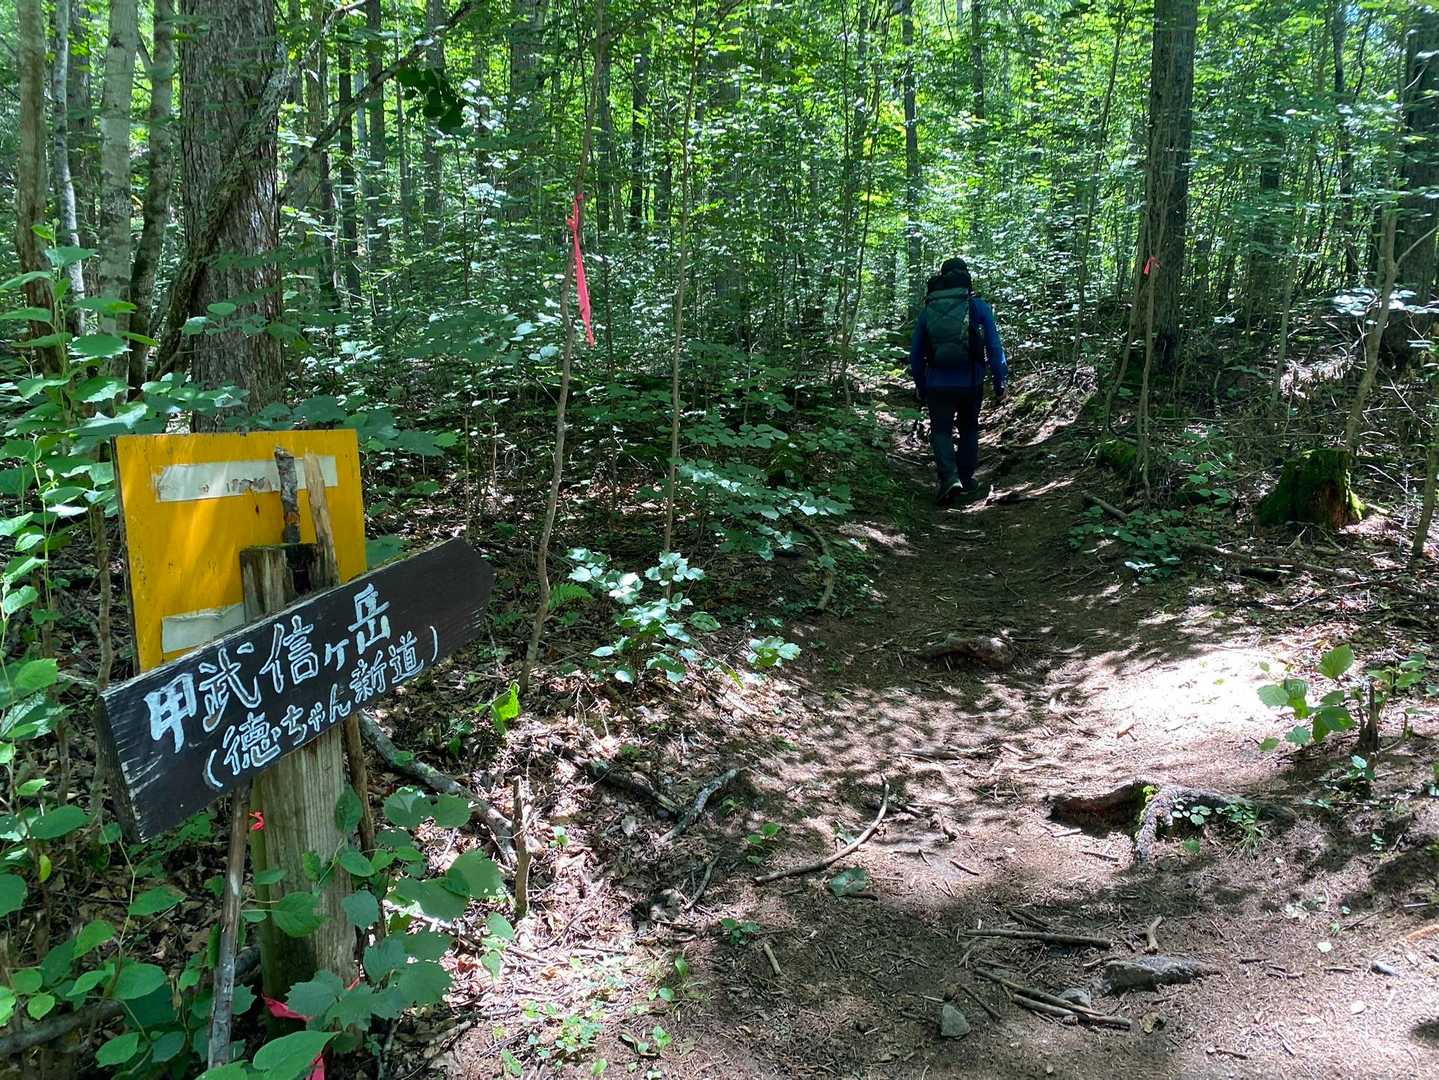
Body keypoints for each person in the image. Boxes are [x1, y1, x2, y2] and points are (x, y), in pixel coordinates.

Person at [909, 257, 1008, 504]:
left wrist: (921, 385)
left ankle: (949, 478)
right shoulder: (978, 307)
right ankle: (966, 479)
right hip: (971, 381)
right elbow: (994, 347)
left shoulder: (928, 311)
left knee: (940, 431)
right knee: (969, 428)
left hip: (937, 382)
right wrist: (1000, 382)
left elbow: (916, 354)